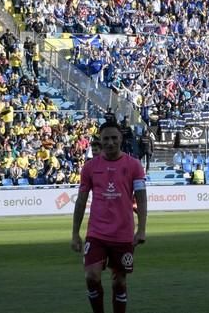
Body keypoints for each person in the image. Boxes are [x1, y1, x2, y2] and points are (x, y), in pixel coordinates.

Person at [71, 121, 147, 313]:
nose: (111, 142)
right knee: (91, 277)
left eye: (114, 138)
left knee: (119, 281)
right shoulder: (89, 168)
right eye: (106, 138)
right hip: (96, 233)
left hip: (123, 234)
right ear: (100, 140)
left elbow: (141, 198)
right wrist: (75, 233)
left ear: (121, 138)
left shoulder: (134, 166)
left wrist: (142, 229)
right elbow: (80, 201)